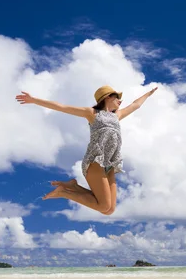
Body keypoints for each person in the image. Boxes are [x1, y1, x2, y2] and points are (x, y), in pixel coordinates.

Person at [16, 85, 158, 215]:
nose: (120, 101)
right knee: (103, 206)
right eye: (117, 98)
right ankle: (64, 192)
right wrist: (34, 100)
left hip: (110, 163)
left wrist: (148, 94)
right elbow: (62, 107)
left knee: (110, 210)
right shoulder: (92, 113)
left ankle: (74, 186)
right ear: (108, 97)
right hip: (95, 160)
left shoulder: (117, 115)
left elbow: (135, 105)